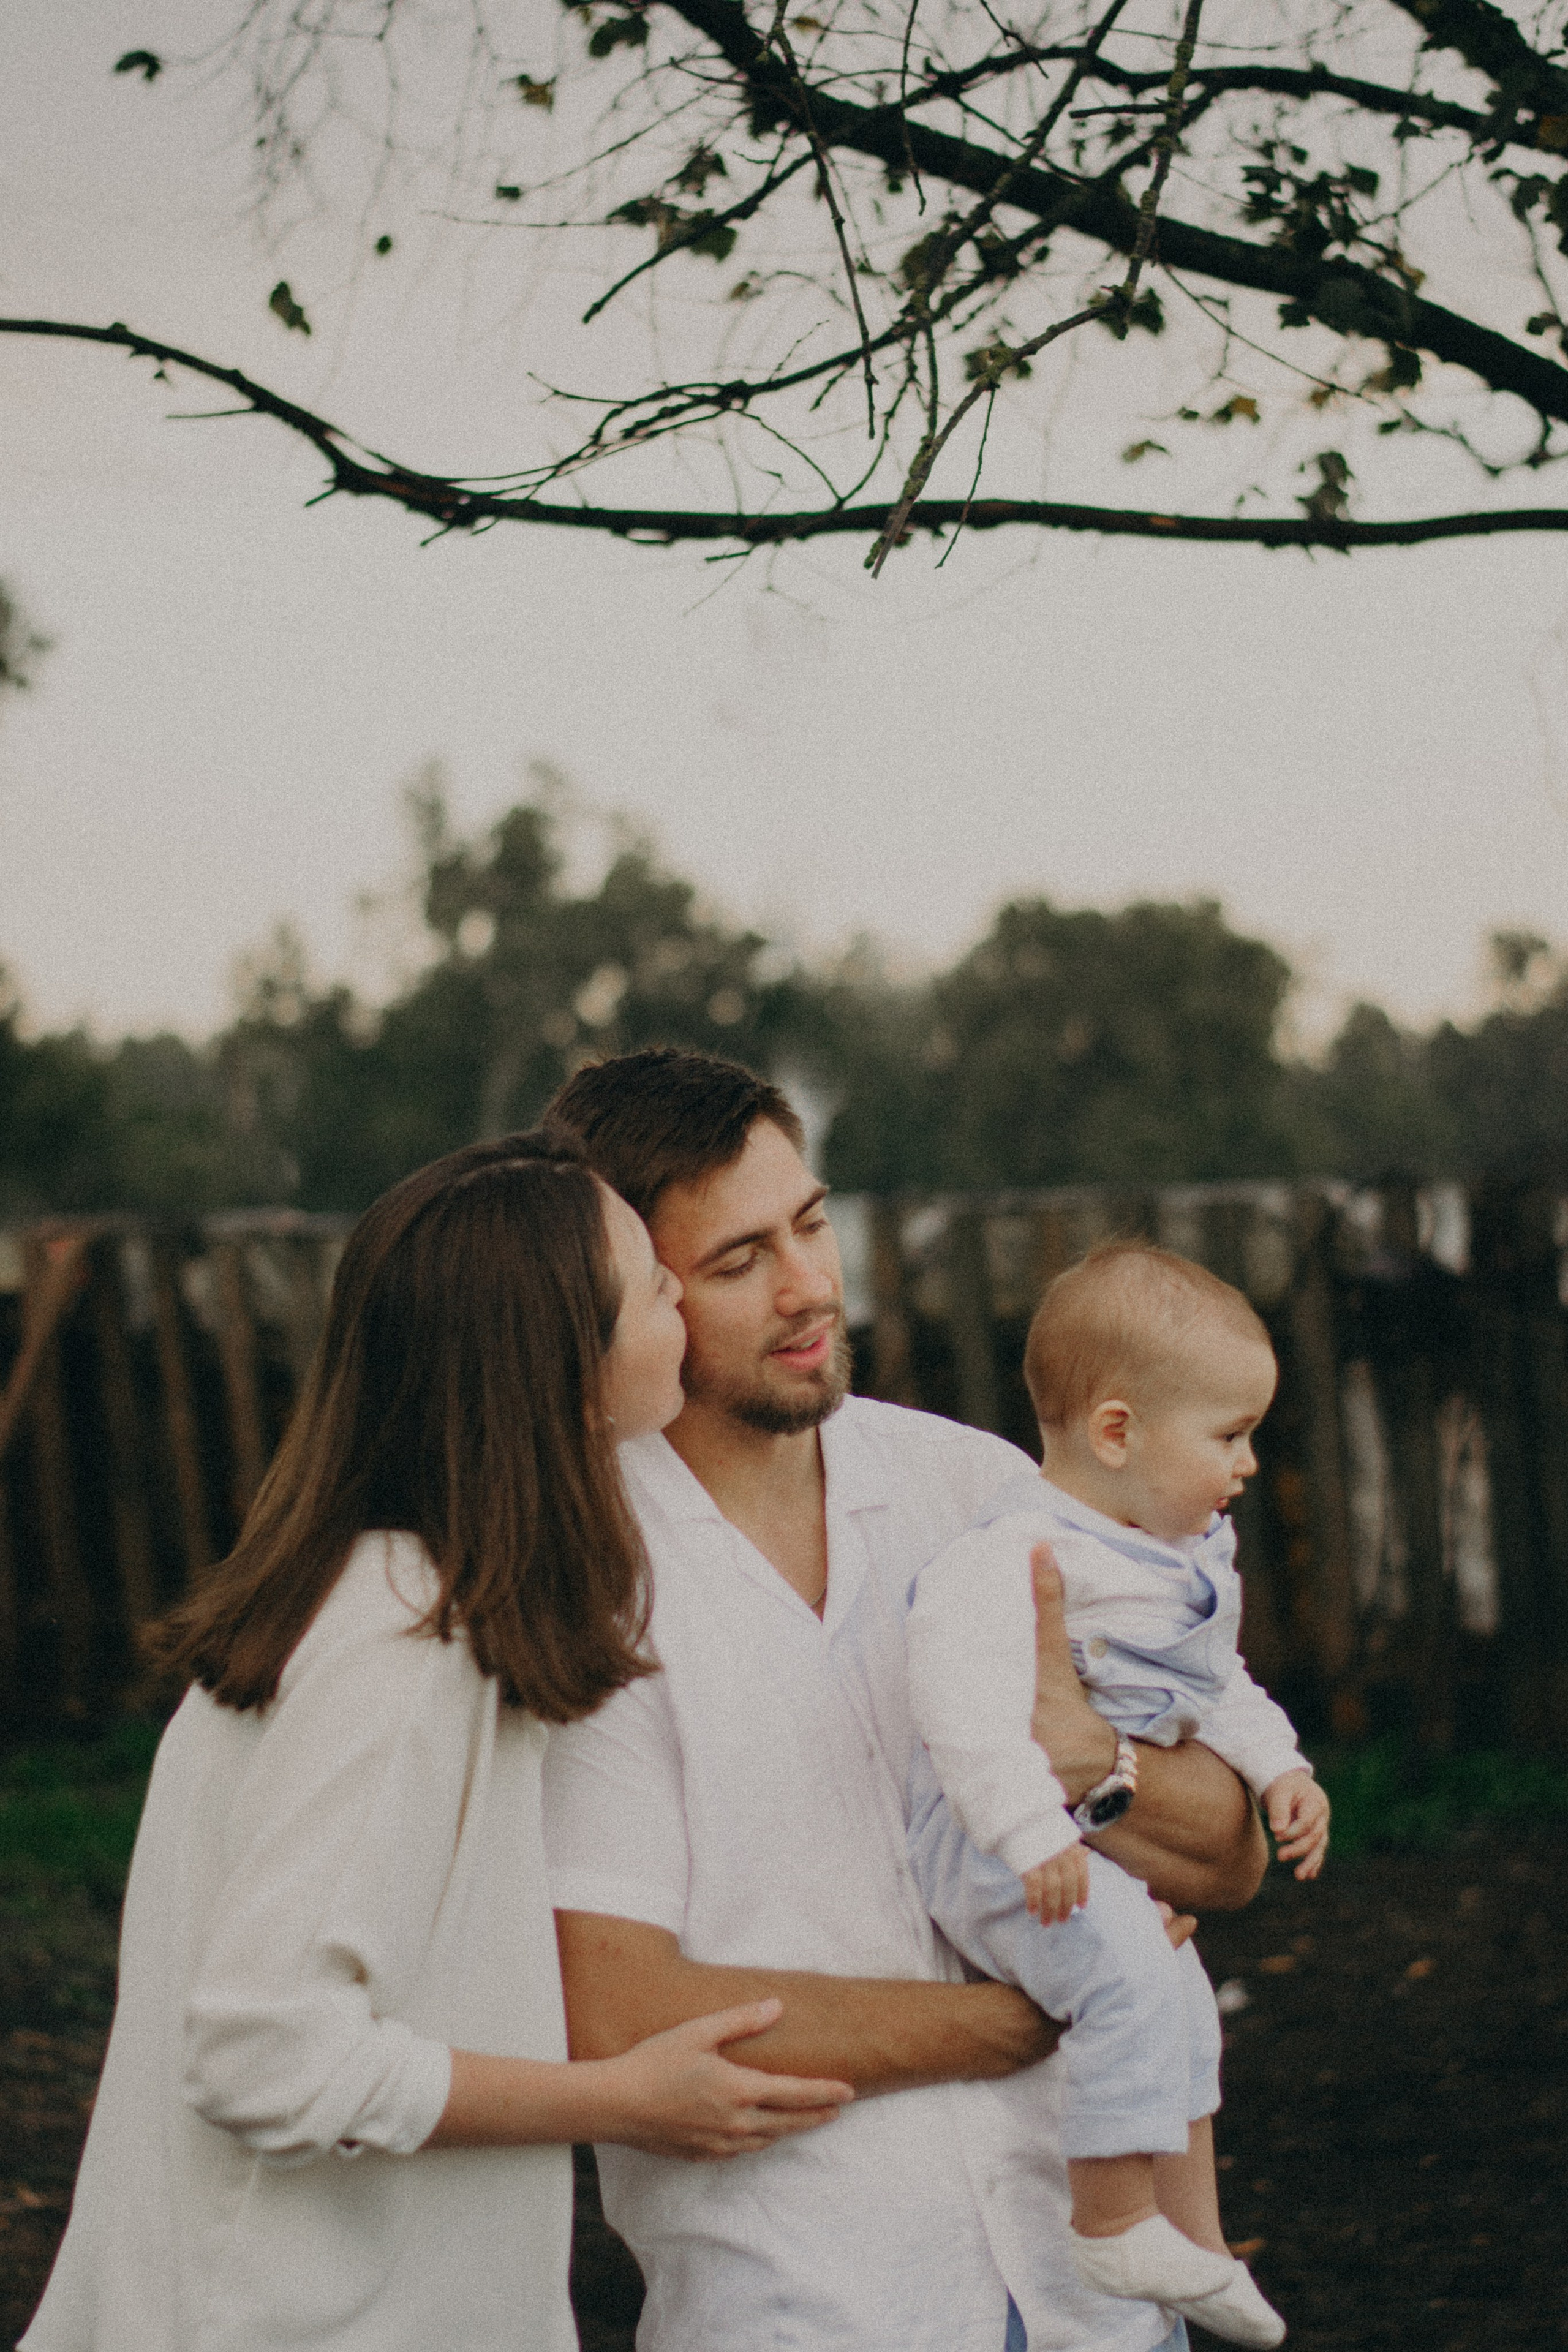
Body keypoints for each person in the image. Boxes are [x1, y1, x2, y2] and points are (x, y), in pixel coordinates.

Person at [20, 1132, 853, 2352]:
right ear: (564, 1370)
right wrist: (617, 2100)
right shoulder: (402, 1644)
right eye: (652, 1286)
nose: (681, 1294)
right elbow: (262, 2054)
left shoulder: (402, 1603)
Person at [542, 1049, 1270, 2352]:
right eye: (739, 1261)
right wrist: (1015, 2021)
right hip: (811, 2302)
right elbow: (617, 2005)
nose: (808, 1286)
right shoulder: (585, 1584)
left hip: (1095, 2305)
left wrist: (1098, 1765)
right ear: (629, 1291)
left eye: (811, 1224)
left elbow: (1229, 1857)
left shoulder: (986, 1491)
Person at [907, 1242, 1332, 2348]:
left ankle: (1194, 2242)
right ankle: (1111, 2222)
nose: (1249, 1464)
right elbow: (959, 1704)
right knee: (1134, 1975)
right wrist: (1028, 1831)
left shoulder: (1172, 1555)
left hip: (1072, 1841)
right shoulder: (1019, 1551)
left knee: (1182, 2000)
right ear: (1116, 1433)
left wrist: (1281, 1768)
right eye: (1230, 1436)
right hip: (993, 1843)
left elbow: (1217, 1685)